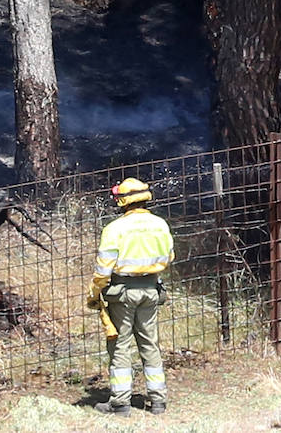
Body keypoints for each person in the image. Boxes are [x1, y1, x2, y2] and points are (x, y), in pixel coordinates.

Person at [85, 176, 174, 415]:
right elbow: (168, 258)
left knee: (120, 346)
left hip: (121, 295)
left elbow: (103, 269)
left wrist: (94, 294)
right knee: (150, 344)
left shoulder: (115, 229)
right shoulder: (160, 225)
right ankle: (158, 401)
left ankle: (120, 403)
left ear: (122, 201)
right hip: (151, 291)